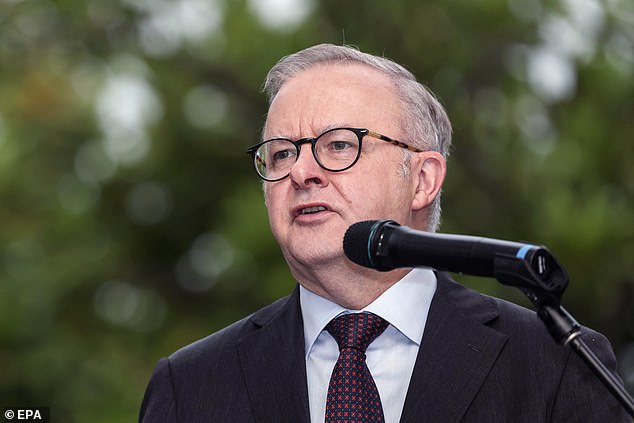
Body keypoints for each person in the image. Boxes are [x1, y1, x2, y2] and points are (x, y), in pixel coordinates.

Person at [139, 44, 631, 422]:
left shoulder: (557, 362)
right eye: (282, 153)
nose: (301, 172)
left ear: (422, 180)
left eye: (337, 145)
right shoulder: (190, 386)